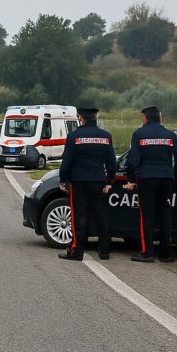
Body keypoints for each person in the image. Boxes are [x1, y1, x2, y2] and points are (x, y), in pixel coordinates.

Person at [124, 106, 177, 263]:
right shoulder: (170, 135)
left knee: (147, 216)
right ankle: (166, 253)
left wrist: (131, 179)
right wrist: (175, 175)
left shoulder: (139, 134)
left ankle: (147, 252)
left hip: (147, 179)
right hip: (166, 178)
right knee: (165, 215)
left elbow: (132, 160)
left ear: (144, 119)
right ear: (160, 117)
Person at [58, 107, 117, 261]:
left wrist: (63, 179)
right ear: (95, 118)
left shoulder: (74, 136)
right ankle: (104, 252)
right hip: (98, 181)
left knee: (79, 217)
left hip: (78, 182)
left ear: (80, 119)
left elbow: (67, 162)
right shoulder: (106, 136)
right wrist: (110, 181)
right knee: (102, 216)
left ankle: (77, 252)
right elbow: (112, 163)